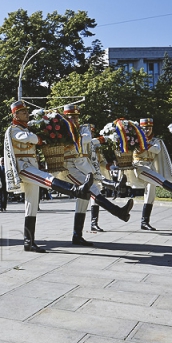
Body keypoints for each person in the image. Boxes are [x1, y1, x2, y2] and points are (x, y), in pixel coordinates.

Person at [4, 101, 93, 252]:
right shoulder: (14, 130)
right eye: (23, 112)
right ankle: (76, 190)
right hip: (23, 166)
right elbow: (28, 138)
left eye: (26, 111)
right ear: (15, 115)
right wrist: (38, 137)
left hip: (31, 164)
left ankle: (28, 242)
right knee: (46, 178)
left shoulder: (27, 128)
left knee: (31, 206)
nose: (26, 113)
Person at [59, 105, 133, 246]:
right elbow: (83, 139)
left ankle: (77, 236)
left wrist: (104, 139)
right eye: (71, 117)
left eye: (76, 116)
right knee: (93, 191)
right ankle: (119, 212)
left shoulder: (81, 129)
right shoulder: (63, 130)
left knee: (83, 201)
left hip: (83, 167)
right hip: (69, 168)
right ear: (65, 118)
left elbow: (87, 139)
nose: (74, 119)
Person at [124, 118, 172, 230]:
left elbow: (157, 150)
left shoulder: (156, 140)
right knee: (159, 180)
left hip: (150, 167)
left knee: (150, 195)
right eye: (144, 128)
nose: (147, 130)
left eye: (149, 128)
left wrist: (144, 143)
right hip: (140, 167)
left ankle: (144, 222)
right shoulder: (134, 139)